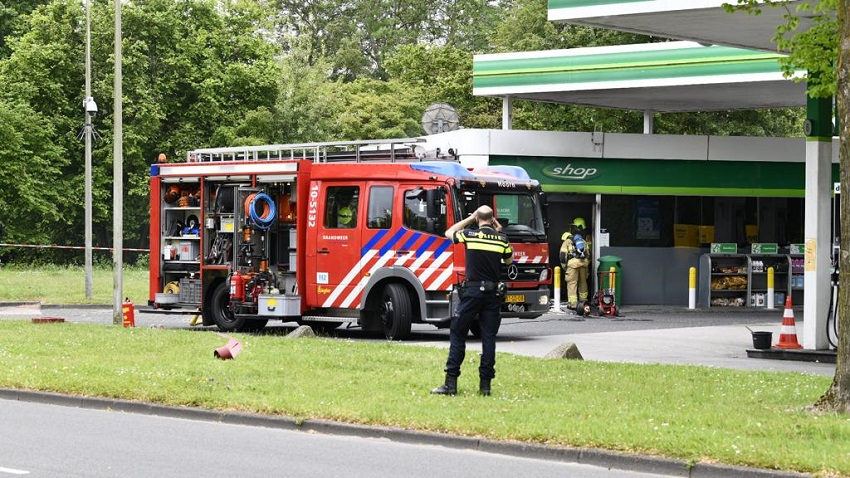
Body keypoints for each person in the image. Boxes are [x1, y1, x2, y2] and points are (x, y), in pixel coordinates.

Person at [432, 205, 513, 396]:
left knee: (458, 332)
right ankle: (485, 387)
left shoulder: (469, 234)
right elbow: (509, 262)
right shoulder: (502, 240)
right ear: (493, 220)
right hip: (493, 295)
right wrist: (498, 232)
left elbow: (449, 232)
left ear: (478, 218)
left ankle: (450, 384)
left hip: (472, 292)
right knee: (488, 338)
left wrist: (469, 219)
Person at [559, 217, 591, 310]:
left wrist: (565, 267)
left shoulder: (567, 242)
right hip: (583, 264)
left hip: (572, 265)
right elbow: (588, 255)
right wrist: (586, 265)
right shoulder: (584, 241)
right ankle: (584, 301)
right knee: (583, 282)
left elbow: (562, 256)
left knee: (572, 283)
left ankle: (573, 304)